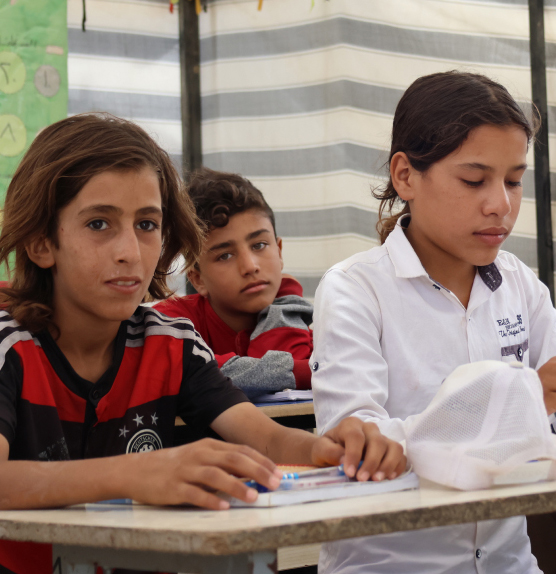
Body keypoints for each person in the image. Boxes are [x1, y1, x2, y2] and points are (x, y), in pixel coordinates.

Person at [0, 113, 406, 574]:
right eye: (99, 224)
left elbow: (268, 440)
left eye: (147, 224)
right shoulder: (8, 346)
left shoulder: (170, 342)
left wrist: (331, 449)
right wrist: (138, 474)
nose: (130, 252)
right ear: (39, 243)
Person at [311, 71, 556, 574]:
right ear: (405, 176)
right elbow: (361, 446)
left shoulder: (521, 285)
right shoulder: (355, 289)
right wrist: (522, 398)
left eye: (514, 180)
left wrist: (536, 405)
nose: (501, 205)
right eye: (474, 180)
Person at [156, 167, 313, 399]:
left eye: (259, 245)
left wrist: (285, 302)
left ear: (279, 252)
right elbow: (194, 373)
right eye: (225, 256)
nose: (250, 266)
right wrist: (312, 371)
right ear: (198, 279)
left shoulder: (294, 313)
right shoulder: (171, 321)